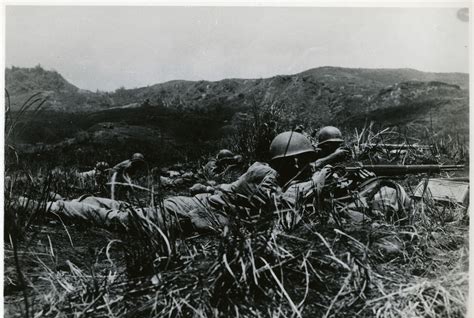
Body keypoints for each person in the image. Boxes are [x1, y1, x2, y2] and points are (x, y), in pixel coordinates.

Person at [15, 131, 411, 235]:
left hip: (194, 209)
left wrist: (323, 169)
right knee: (120, 219)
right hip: (188, 213)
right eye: (305, 160)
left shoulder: (277, 171)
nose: (310, 164)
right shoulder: (265, 173)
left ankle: (64, 198)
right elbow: (283, 206)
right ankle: (41, 207)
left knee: (121, 210)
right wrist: (320, 176)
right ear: (292, 162)